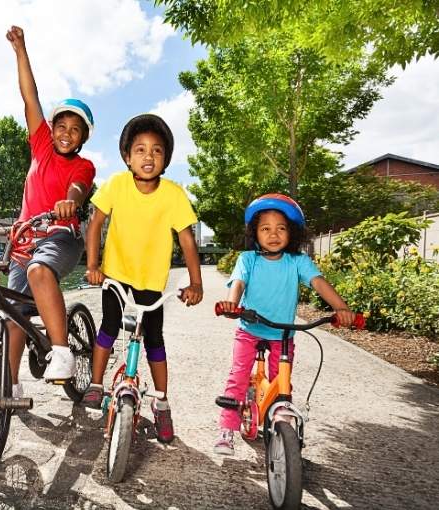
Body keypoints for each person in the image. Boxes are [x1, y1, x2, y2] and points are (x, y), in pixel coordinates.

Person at [83, 113, 204, 443]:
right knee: (109, 324)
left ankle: (162, 402)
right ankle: (96, 384)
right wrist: (94, 264)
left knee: (154, 338)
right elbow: (95, 224)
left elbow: (187, 238)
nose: (148, 157)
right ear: (127, 156)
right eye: (140, 149)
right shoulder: (116, 185)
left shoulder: (173, 194)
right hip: (117, 276)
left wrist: (196, 283)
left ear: (165, 159)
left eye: (156, 151)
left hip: (151, 282)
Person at [212, 194, 356, 455]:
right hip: (250, 330)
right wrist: (232, 304)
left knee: (283, 383)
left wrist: (341, 308)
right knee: (239, 377)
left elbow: (318, 283)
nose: (273, 234)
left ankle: (281, 422)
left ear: (293, 233)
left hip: (283, 334)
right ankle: (226, 429)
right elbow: (238, 284)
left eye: (281, 228)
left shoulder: (298, 261)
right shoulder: (248, 259)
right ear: (254, 233)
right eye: (265, 228)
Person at [5, 25, 96, 395]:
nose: (66, 132)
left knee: (41, 271)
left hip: (60, 236)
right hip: (24, 240)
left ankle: (62, 351)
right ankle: (8, 386)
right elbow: (30, 96)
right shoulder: (41, 146)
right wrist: (20, 50)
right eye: (62, 125)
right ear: (52, 128)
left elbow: (78, 188)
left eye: (76, 130)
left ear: (83, 138)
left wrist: (70, 203)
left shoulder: (83, 166)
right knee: (12, 315)